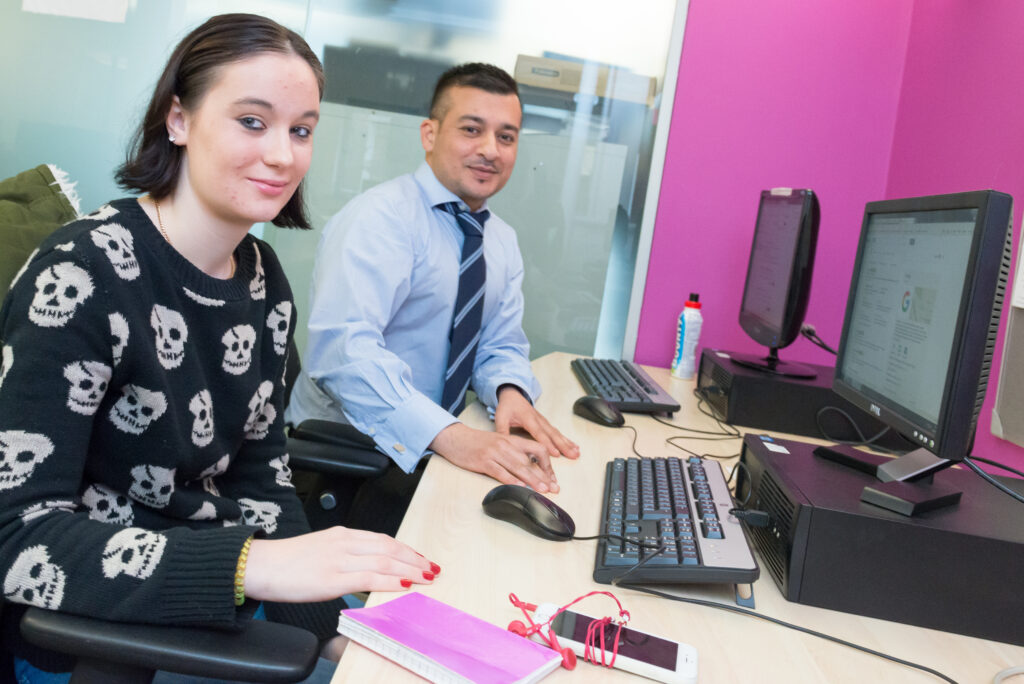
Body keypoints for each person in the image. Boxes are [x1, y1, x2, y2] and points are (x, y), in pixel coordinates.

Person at [0, 14, 437, 683]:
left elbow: (258, 481)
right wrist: (249, 565)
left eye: (302, 130)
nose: (284, 155)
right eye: (252, 121)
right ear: (178, 119)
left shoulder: (262, 278)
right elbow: (17, 536)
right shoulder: (82, 272)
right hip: (91, 635)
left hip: (218, 593)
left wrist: (331, 631)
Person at [287, 63, 579, 523]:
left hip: (429, 450)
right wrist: (450, 435)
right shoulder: (381, 220)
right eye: (471, 130)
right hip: (348, 458)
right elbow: (344, 355)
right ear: (429, 134)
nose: (490, 150)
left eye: (506, 137)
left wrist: (509, 389)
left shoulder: (500, 241)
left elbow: (499, 343)